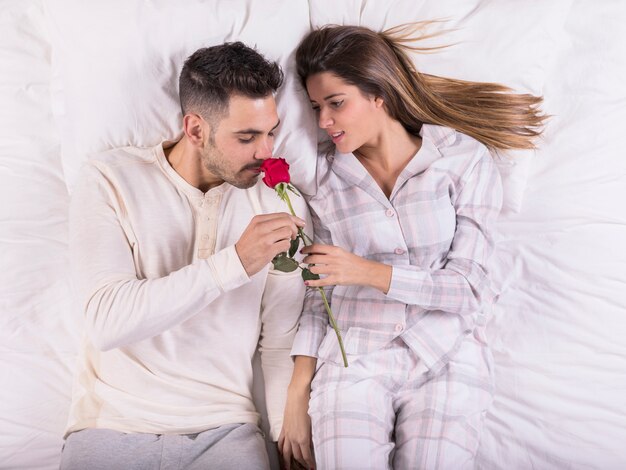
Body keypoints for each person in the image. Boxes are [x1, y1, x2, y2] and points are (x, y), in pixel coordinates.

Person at [277, 25, 545, 470]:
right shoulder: (323, 180)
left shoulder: (461, 159)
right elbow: (316, 293)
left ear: (378, 95)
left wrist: (365, 272)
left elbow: (470, 289)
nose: (323, 121)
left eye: (336, 103)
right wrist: (295, 394)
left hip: (448, 354)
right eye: (316, 108)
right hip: (355, 360)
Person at [61, 42, 310, 470]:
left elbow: (280, 339)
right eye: (247, 137)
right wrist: (234, 263)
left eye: (271, 132)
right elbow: (106, 322)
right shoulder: (109, 179)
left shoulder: (278, 204)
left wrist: (285, 434)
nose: (266, 152)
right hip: (110, 425)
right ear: (195, 130)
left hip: (225, 431)